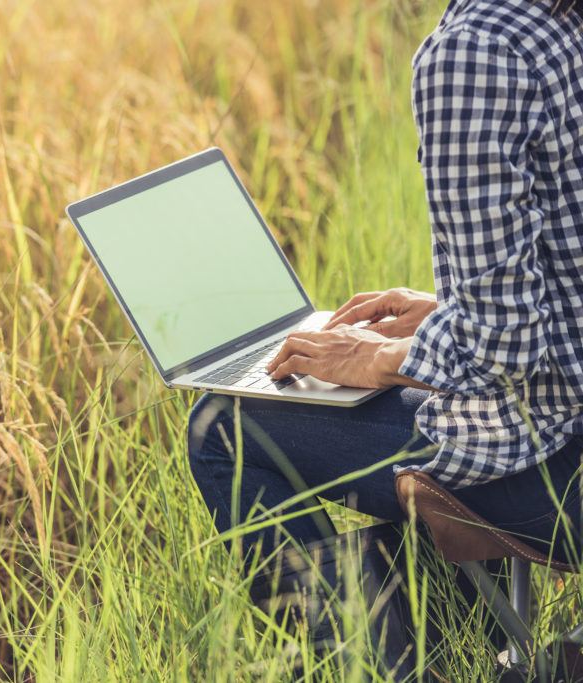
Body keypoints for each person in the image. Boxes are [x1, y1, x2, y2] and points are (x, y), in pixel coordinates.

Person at [188, 0, 583, 670]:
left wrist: (381, 358)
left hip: (562, 470)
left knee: (222, 426)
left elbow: (505, 349)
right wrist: (445, 312)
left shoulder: (478, 53)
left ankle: (392, 664)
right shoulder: (557, 27)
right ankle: (459, 649)